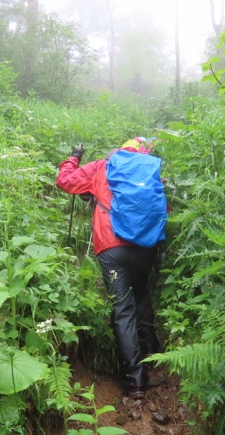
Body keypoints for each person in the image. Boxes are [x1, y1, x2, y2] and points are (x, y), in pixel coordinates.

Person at [56, 137, 163, 401]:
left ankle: (136, 381)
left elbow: (65, 181)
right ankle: (153, 358)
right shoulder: (149, 170)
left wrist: (74, 156)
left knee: (123, 309)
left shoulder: (102, 166)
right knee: (141, 294)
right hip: (146, 247)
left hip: (111, 247)